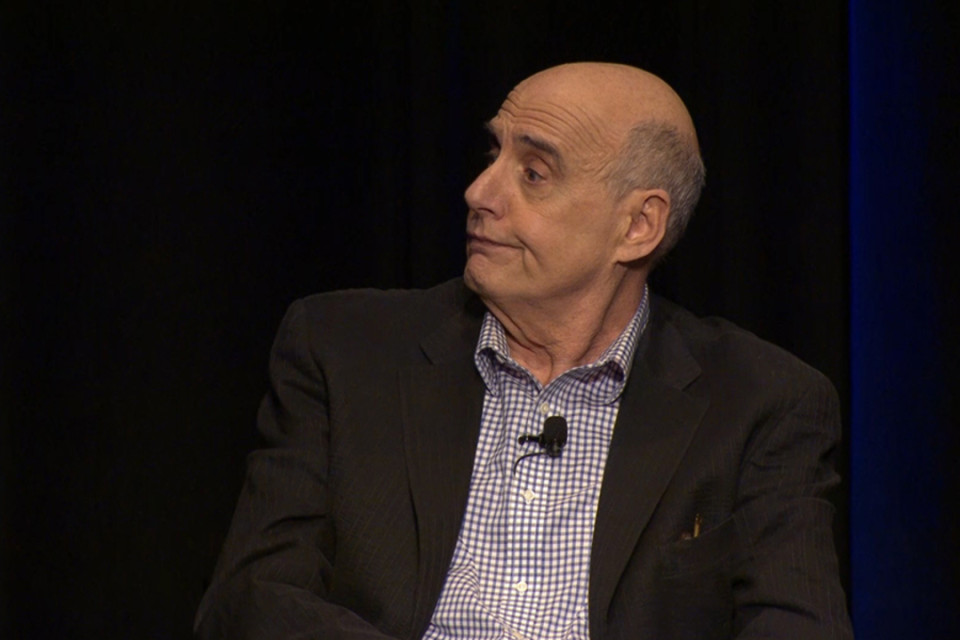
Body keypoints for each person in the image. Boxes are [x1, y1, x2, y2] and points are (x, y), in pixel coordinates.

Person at [195, 62, 853, 639]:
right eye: (493, 156)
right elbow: (252, 600)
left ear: (638, 225)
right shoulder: (342, 349)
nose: (479, 193)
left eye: (533, 173)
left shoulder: (761, 403)